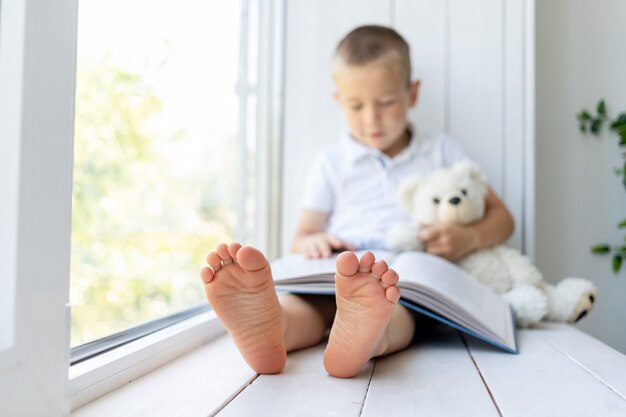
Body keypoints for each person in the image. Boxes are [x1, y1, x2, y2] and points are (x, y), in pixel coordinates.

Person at [200, 25, 514, 378]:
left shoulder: (441, 151)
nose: (371, 119)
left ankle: (366, 336)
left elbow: (503, 219)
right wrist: (315, 241)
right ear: (338, 101)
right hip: (338, 271)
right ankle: (275, 326)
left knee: (397, 309)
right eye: (356, 105)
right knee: (310, 303)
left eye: (386, 102)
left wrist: (466, 239)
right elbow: (301, 237)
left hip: (406, 279)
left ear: (412, 93)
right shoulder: (331, 162)